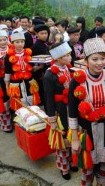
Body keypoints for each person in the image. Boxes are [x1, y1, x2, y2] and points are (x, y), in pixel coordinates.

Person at [68, 38, 105, 186]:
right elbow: (72, 110)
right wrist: (75, 139)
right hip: (87, 132)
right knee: (88, 170)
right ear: (86, 60)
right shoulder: (77, 81)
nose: (100, 63)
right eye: (95, 59)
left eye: (103, 58)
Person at [44, 42, 76, 180]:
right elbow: (48, 99)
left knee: (73, 135)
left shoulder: (70, 69)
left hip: (71, 108)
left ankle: (73, 161)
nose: (70, 57)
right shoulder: (49, 75)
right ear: (57, 58)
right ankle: (64, 168)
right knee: (62, 138)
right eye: (67, 55)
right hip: (60, 110)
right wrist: (52, 120)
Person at [4, 32, 40, 111]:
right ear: (12, 43)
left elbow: (32, 66)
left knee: (31, 101)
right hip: (16, 83)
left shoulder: (28, 52)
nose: (20, 44)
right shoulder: (9, 55)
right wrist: (7, 85)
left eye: (22, 42)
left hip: (29, 81)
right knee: (19, 104)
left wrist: (39, 66)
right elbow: (7, 71)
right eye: (17, 42)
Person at [31, 24, 50, 108]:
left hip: (44, 69)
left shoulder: (44, 43)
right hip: (40, 71)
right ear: (37, 34)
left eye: (46, 33)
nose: (44, 35)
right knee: (44, 91)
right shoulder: (37, 45)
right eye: (42, 33)